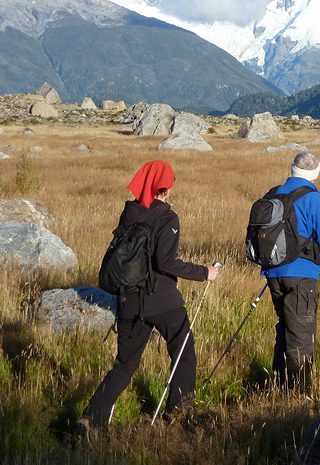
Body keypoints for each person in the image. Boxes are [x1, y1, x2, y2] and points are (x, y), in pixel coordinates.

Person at [79, 160, 219, 441]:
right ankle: (178, 416)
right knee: (184, 354)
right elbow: (166, 262)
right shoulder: (168, 218)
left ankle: (89, 419)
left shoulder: (128, 212)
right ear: (164, 189)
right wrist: (204, 272)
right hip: (163, 302)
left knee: (125, 365)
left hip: (128, 301)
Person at [261, 151, 320, 394]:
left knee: (285, 326)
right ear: (316, 173)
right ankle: (298, 394)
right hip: (302, 275)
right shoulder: (315, 199)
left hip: (273, 273)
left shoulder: (272, 194)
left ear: (292, 168)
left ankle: (279, 385)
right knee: (300, 335)